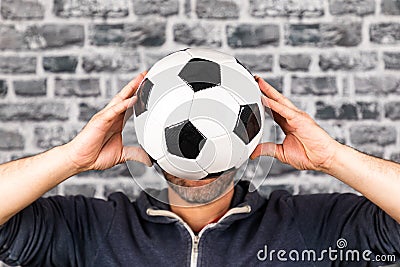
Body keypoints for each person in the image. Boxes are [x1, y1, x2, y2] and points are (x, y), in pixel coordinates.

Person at [0, 72, 399, 267]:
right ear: (151, 138)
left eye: (214, 137)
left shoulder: (313, 228)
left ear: (248, 136)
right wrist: (73, 158)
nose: (198, 163)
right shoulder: (92, 230)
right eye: (185, 140)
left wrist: (331, 157)